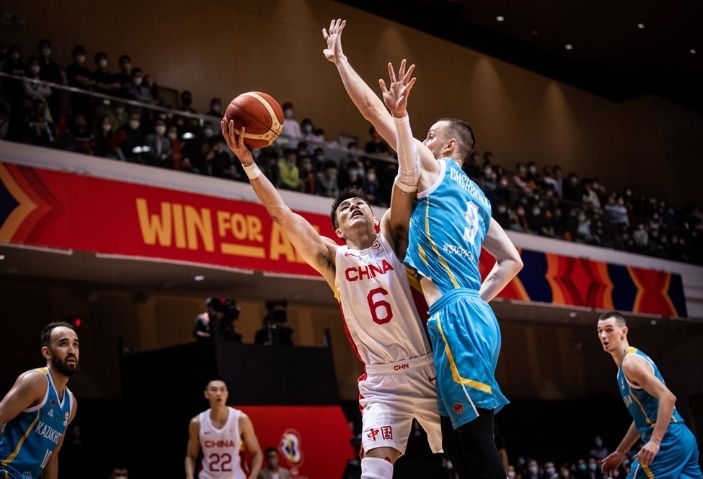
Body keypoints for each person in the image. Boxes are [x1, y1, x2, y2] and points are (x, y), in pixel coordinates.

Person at [323, 19, 523, 479]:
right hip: (473, 313)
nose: (423, 141)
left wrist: (341, 61)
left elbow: (373, 111)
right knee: (457, 439)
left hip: (456, 315)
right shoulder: (480, 200)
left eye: (430, 135)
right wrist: (472, 299)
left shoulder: (436, 169)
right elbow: (512, 261)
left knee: (473, 440)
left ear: (448, 145)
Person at [221, 115, 442, 479]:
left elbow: (406, 179)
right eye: (344, 207)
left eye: (360, 204)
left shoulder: (394, 239)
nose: (353, 206)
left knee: (472, 455)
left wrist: (399, 119)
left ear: (375, 218)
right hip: (382, 382)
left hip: (429, 366)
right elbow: (282, 215)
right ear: (338, 230)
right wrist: (248, 163)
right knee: (373, 470)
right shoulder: (334, 259)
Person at [596, 311, 702, 479]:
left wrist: (655, 441)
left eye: (609, 330)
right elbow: (641, 418)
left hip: (668, 440)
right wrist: (621, 451)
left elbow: (668, 397)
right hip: (682, 438)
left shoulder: (631, 363)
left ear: (624, 332)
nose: (603, 335)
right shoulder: (623, 369)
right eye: (600, 331)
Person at [0, 321, 79, 479]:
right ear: (46, 352)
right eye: (63, 343)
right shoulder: (36, 381)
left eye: (75, 344)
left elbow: (52, 456)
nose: (71, 350)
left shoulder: (71, 403)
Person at [185, 378, 263, 479]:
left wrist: (253, 476)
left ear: (227, 394)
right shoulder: (197, 423)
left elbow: (257, 453)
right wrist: (189, 476)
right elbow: (190, 456)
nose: (218, 393)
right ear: (206, 394)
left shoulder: (240, 419)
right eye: (214, 390)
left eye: (222, 390)